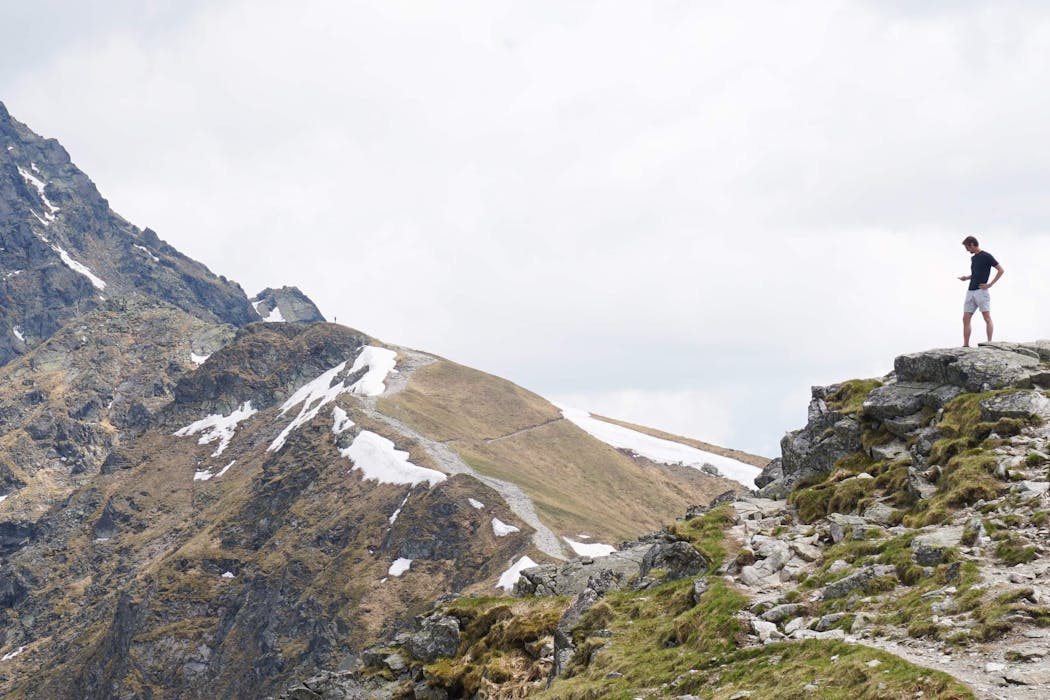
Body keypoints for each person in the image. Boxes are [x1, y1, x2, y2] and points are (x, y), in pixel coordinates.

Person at [958, 236, 1004, 347]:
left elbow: (1001, 270)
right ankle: (965, 345)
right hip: (970, 291)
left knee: (987, 317)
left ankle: (989, 343)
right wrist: (967, 277)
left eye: (967, 247)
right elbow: (976, 273)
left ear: (972, 244)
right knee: (965, 318)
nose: (967, 250)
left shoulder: (986, 256)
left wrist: (990, 284)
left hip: (982, 291)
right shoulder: (973, 258)